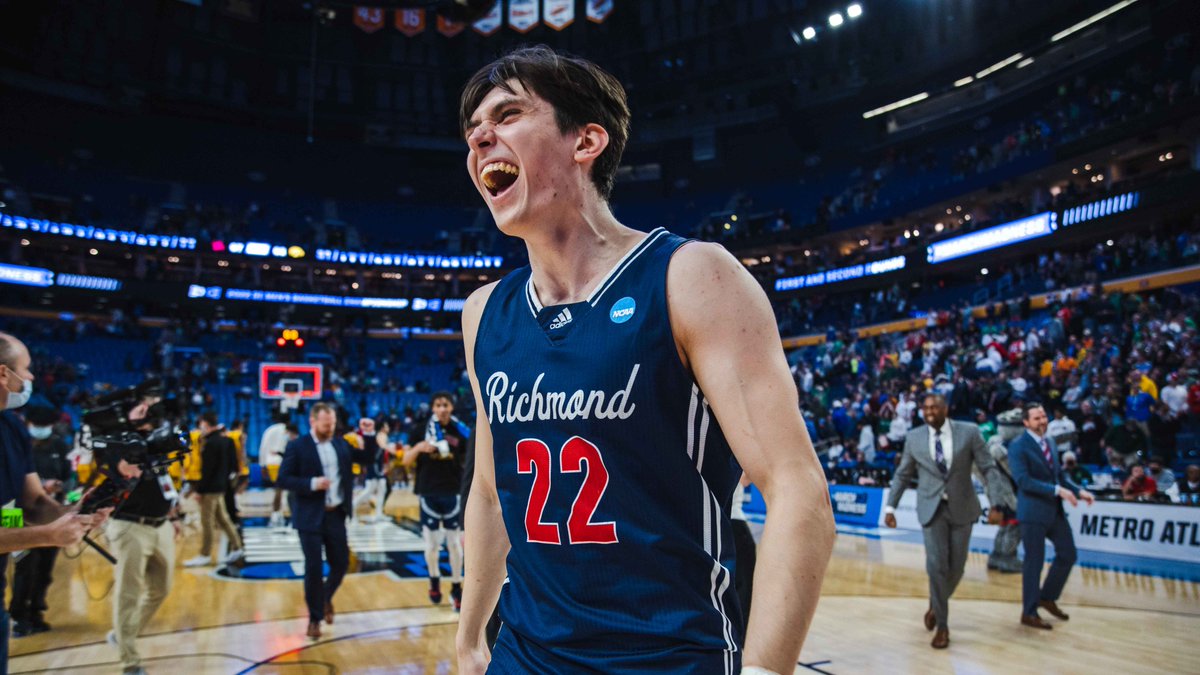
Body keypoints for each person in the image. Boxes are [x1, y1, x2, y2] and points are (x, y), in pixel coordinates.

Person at [456, 46, 834, 674]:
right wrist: (471, 636)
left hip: (667, 656)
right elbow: (493, 494)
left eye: (509, 113)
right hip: (525, 654)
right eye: (472, 130)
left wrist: (768, 671)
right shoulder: (482, 314)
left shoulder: (693, 277)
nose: (479, 136)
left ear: (587, 141)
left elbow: (797, 489)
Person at [0, 332, 107, 667]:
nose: (31, 378)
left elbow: (29, 505)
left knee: (32, 571)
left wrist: (75, 511)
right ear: (4, 374)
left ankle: (28, 609)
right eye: (27, 369)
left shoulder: (12, 427)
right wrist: (45, 536)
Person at [884, 393, 1005, 648]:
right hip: (931, 508)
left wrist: (996, 503)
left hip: (963, 507)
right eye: (925, 407)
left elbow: (988, 468)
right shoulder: (914, 437)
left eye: (934, 407)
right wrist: (890, 507)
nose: (929, 411)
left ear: (945, 409)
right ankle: (942, 626)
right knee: (936, 565)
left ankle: (935, 604)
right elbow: (903, 473)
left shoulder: (969, 432)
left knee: (957, 567)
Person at [102, 397, 182, 675]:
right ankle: (129, 661)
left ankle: (121, 635)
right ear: (129, 414)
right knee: (129, 594)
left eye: (154, 407)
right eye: (143, 407)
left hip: (160, 524)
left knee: (161, 589)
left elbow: (163, 479)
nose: (150, 411)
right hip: (130, 526)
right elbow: (125, 469)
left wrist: (173, 514)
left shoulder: (160, 441)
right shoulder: (117, 442)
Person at [277, 402, 368, 639]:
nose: (330, 428)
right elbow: (283, 478)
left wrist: (367, 434)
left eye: (333, 424)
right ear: (313, 421)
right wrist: (311, 484)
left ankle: (325, 597)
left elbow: (367, 457)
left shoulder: (341, 444)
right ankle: (315, 618)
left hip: (336, 514)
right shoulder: (297, 446)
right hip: (309, 516)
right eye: (326, 424)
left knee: (340, 564)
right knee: (314, 568)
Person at [1008, 403, 1095, 630]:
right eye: (1036, 418)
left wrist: (1078, 491)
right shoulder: (1018, 446)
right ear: (1026, 422)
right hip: (1033, 512)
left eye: (1044, 416)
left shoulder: (1051, 442)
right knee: (1034, 562)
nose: (1042, 421)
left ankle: (1047, 597)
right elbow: (1023, 481)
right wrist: (1058, 491)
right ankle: (1029, 612)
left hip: (1054, 511)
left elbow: (1059, 476)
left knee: (1068, 554)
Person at [9, 407, 73, 637]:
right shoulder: (15, 444)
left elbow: (69, 477)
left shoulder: (58, 445)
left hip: (49, 512)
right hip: (14, 512)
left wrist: (61, 489)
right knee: (25, 566)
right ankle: (18, 616)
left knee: (45, 568)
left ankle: (37, 611)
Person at [403, 392, 469, 610]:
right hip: (428, 491)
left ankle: (457, 588)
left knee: (454, 545)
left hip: (454, 491)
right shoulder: (419, 430)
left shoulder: (461, 430)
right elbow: (405, 460)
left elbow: (470, 459)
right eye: (438, 405)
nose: (442, 409)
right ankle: (434, 581)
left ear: (452, 407)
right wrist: (419, 447)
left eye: (446, 405)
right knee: (431, 545)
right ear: (432, 408)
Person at [183, 412, 243, 567]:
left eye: (201, 424)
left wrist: (199, 491)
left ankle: (205, 554)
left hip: (210, 489)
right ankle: (237, 547)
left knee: (207, 521)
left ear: (205, 423)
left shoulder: (210, 444)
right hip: (221, 486)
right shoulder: (226, 441)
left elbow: (208, 470)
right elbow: (232, 465)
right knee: (223, 518)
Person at [982, 408, 1023, 574]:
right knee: (1015, 525)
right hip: (1010, 492)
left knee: (1005, 524)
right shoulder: (1008, 448)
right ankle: (1008, 558)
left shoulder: (993, 442)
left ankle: (996, 556)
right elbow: (1016, 473)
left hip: (995, 491)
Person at [350, 418, 389, 523]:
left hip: (379, 467)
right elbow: (370, 451)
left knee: (382, 489)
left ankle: (379, 514)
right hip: (374, 467)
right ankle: (352, 506)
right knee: (368, 490)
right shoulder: (377, 437)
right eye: (386, 426)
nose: (388, 428)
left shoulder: (381, 437)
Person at [260, 414, 292, 528]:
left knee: (279, 489)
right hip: (281, 463)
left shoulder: (269, 430)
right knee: (281, 489)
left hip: (270, 463)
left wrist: (262, 465)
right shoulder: (286, 431)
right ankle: (276, 514)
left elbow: (263, 448)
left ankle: (277, 513)